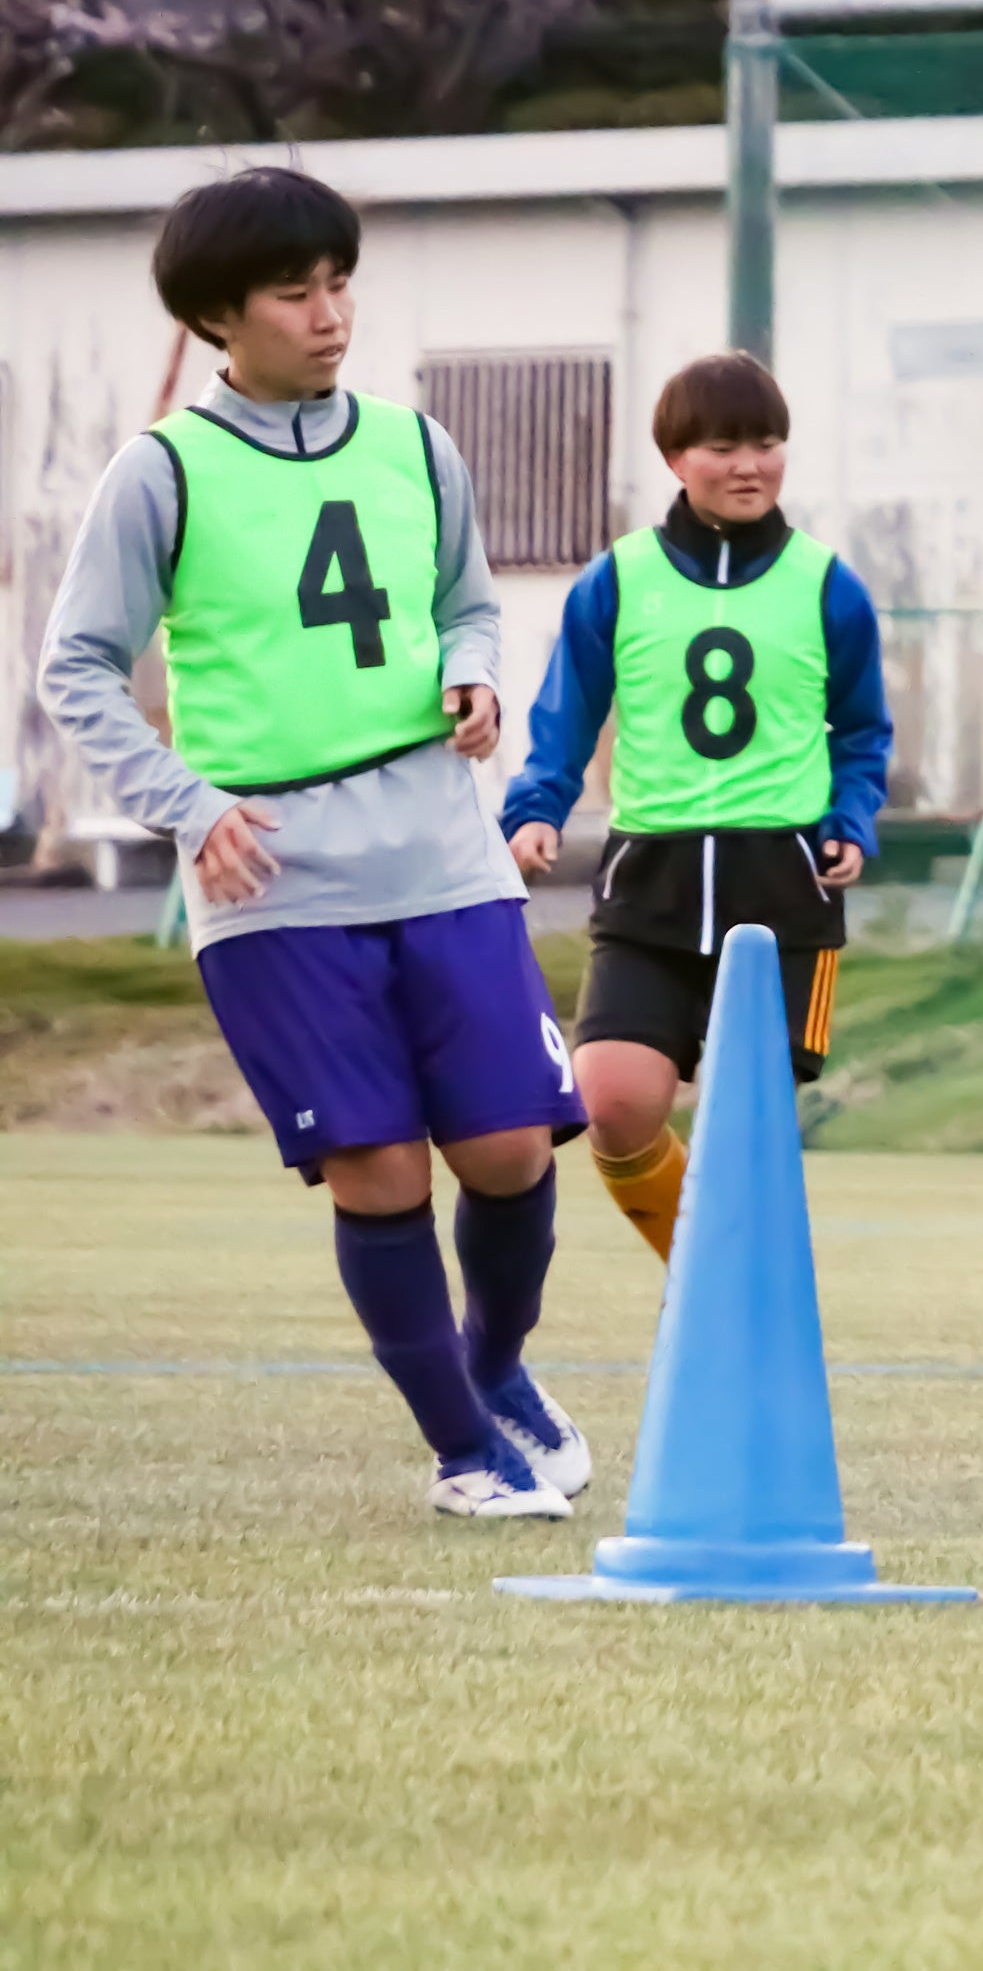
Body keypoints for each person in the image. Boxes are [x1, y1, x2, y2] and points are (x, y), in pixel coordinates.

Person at [36, 168, 585, 1518]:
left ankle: (494, 1370)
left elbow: (468, 602)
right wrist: (188, 803)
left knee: (511, 1148)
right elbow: (78, 667)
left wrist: (475, 676)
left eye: (341, 283)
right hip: (274, 874)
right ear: (223, 317)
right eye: (296, 292)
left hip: (440, 847)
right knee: (379, 1166)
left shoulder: (414, 444)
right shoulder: (161, 470)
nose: (330, 313)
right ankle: (464, 1455)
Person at [503, 353, 891, 1261]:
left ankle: (745, 1292)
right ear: (677, 458)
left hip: (784, 888)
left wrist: (851, 820)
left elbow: (864, 732)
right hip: (652, 880)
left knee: (748, 1127)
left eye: (767, 442)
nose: (750, 463)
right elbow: (567, 714)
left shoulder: (827, 584)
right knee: (613, 1104)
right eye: (723, 446)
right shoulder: (618, 579)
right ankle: (722, 1276)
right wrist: (537, 808)